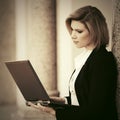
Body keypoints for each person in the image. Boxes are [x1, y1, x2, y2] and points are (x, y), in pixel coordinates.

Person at [28, 5, 118, 120]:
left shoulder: (102, 61)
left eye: (79, 31)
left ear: (95, 31)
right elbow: (82, 98)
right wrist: (61, 100)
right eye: (72, 29)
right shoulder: (85, 57)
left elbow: (96, 111)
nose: (72, 35)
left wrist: (55, 113)